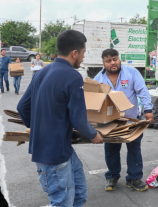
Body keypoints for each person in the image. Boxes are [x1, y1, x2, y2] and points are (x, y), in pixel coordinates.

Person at [17, 30, 103, 207]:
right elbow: (78, 118)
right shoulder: (73, 76)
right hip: (53, 156)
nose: (83, 57)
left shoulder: (42, 71)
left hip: (62, 151)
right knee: (62, 203)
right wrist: (94, 135)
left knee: (79, 195)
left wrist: (38, 129)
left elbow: (22, 107)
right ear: (74, 53)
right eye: (83, 53)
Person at [93, 48, 153, 192]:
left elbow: (143, 91)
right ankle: (112, 176)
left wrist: (149, 110)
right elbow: (93, 100)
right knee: (111, 150)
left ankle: (134, 178)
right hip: (110, 123)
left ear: (119, 59)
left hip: (131, 121)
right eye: (108, 61)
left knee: (134, 149)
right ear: (103, 63)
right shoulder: (98, 79)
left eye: (115, 59)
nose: (113, 63)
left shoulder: (131, 72)